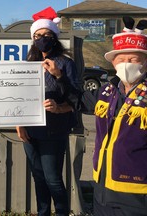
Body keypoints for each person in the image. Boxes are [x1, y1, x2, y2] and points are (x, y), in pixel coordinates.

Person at [48, 16, 147, 216]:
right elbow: (79, 100)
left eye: (133, 59)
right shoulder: (106, 92)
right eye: (121, 59)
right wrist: (59, 76)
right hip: (102, 187)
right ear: (113, 62)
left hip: (138, 192)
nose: (126, 64)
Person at [15, 7, 82, 216]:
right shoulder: (29, 64)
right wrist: (19, 124)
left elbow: (76, 99)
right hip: (30, 131)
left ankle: (62, 213)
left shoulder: (65, 63)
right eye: (37, 36)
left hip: (54, 131)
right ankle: (43, 213)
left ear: (54, 37)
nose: (42, 39)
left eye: (46, 35)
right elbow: (19, 96)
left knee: (53, 179)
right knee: (38, 178)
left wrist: (58, 76)